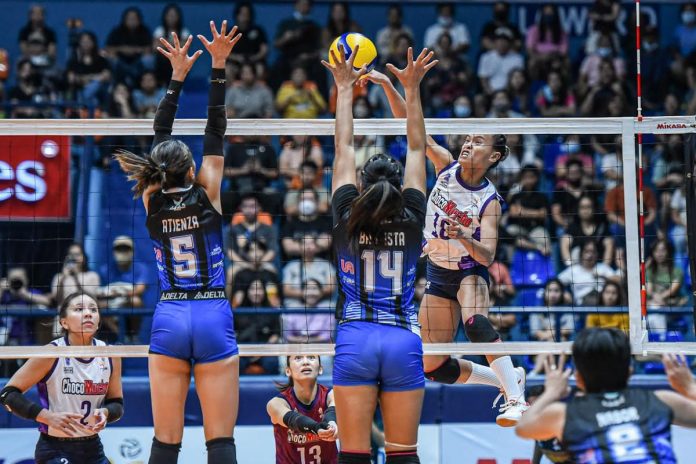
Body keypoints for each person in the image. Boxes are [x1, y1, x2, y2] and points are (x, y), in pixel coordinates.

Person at [364, 67, 527, 426]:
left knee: (476, 324)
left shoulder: (490, 201)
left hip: (470, 272)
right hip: (438, 272)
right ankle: (507, 378)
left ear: (495, 156)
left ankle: (517, 400)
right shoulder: (445, 166)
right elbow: (411, 127)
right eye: (468, 138)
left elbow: (487, 255)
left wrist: (462, 235)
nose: (469, 143)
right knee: (431, 365)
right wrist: (391, 85)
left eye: (479, 142)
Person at [114, 21, 241, 463]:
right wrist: (218, 66)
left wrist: (176, 77)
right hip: (211, 312)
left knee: (165, 442)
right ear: (190, 171)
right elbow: (215, 129)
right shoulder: (207, 189)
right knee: (220, 442)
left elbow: (159, 138)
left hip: (169, 313)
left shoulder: (149, 196)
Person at [324, 44, 436, 463]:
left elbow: (342, 147)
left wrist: (344, 88)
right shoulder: (411, 215)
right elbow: (418, 148)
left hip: (356, 336)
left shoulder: (346, 212)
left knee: (353, 455)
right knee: (404, 454)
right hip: (402, 338)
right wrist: (411, 89)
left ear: (363, 184)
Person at [516, 328, 696, 461]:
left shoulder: (567, 413)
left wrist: (551, 392)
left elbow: (523, 427)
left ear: (578, 379)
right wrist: (689, 387)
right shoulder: (661, 400)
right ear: (630, 372)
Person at [0, 293, 123, 464]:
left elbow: (117, 403)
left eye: (93, 310)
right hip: (55, 448)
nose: (88, 313)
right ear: (64, 322)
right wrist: (45, 416)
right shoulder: (51, 353)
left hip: (93, 447)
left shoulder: (110, 354)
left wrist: (106, 413)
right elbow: (8, 394)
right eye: (79, 309)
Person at [267, 355, 338, 464]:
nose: (305, 362)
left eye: (311, 357)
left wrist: (332, 424)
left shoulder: (332, 395)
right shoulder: (276, 403)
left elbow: (333, 410)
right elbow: (294, 420)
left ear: (320, 369)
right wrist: (317, 428)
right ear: (288, 371)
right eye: (298, 358)